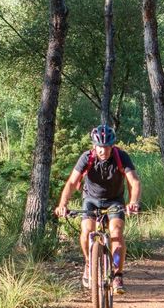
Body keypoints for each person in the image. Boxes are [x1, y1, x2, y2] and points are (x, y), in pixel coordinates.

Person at [53, 124, 142, 294]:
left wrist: (133, 202)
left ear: (112, 145)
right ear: (94, 146)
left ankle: (117, 274)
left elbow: (134, 182)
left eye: (107, 146)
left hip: (114, 201)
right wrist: (63, 205)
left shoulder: (121, 157)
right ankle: (89, 262)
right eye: (100, 147)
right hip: (91, 200)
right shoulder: (86, 158)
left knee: (116, 232)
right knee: (87, 231)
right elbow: (72, 183)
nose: (103, 150)